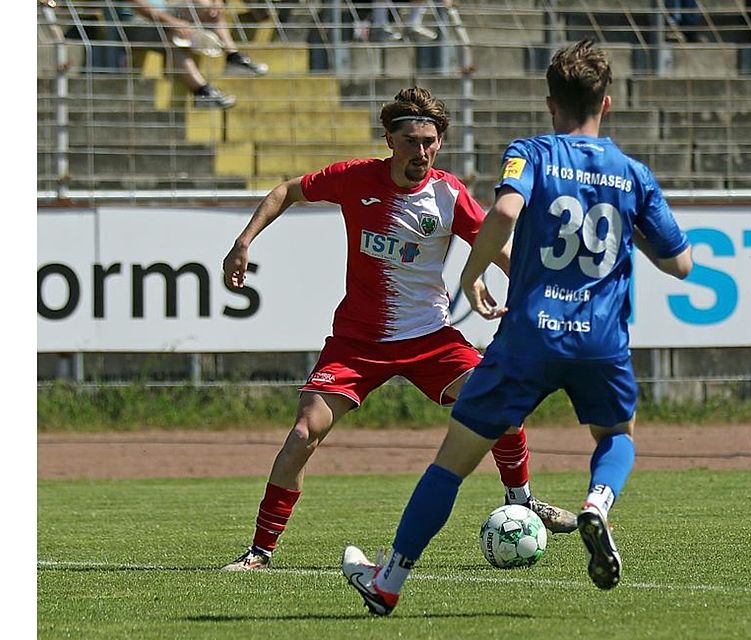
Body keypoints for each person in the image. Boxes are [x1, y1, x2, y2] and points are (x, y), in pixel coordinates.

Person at [341, 40, 693, 616]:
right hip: (601, 339)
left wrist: (474, 276)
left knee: (451, 463)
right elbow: (681, 264)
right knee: (616, 436)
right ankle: (598, 505)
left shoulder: (529, 152)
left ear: (551, 102)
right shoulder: (634, 174)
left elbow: (504, 213)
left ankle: (390, 580)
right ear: (606, 103)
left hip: (530, 333)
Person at [220, 87, 577, 572]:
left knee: (500, 398)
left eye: (430, 141)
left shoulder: (449, 194)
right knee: (304, 432)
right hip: (358, 342)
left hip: (430, 338)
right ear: (389, 139)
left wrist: (539, 299)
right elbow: (286, 191)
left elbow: (498, 249)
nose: (422, 152)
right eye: (411, 141)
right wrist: (243, 242)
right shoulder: (354, 178)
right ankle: (259, 552)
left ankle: (523, 499)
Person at [121, 1, 270, 109]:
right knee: (175, 36)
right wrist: (174, 23)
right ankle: (202, 91)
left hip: (164, 15)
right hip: (134, 23)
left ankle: (233, 57)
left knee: (205, 5)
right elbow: (141, 7)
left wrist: (216, 3)